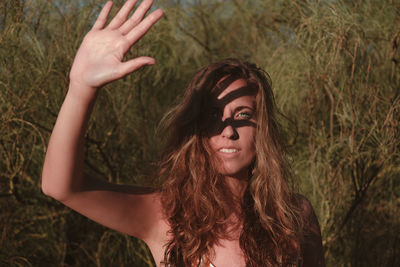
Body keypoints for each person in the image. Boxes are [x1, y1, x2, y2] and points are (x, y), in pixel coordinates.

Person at [41, 0, 325, 266]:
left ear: (263, 130)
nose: (228, 130)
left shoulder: (294, 215)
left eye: (243, 116)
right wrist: (81, 88)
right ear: (195, 128)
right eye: (213, 116)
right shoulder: (165, 216)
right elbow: (61, 187)